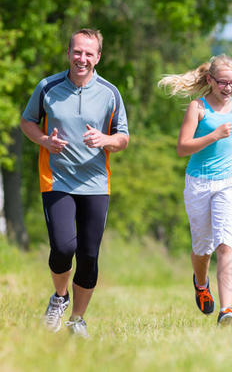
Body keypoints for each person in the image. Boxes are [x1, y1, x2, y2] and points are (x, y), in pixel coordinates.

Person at [20, 28, 130, 338]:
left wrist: (105, 139)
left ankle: (77, 319)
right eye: (77, 52)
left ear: (98, 57)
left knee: (89, 254)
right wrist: (44, 140)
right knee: (63, 246)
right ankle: (60, 297)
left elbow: (123, 138)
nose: (82, 58)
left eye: (88, 53)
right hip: (57, 178)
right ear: (69, 53)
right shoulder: (48, 87)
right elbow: (26, 121)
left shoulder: (110, 93)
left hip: (95, 182)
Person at [158, 54, 232, 326]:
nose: (229, 88)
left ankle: (227, 310)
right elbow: (182, 147)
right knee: (203, 248)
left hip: (228, 183)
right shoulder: (198, 107)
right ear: (210, 80)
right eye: (223, 82)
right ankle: (200, 283)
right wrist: (213, 136)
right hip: (198, 182)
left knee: (226, 244)